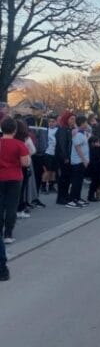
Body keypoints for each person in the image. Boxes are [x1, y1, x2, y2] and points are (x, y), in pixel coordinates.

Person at [0, 117, 32, 280]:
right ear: (14, 130)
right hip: (14, 177)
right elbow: (25, 163)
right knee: (12, 206)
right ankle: (8, 233)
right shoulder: (19, 144)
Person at [66, 116, 90, 209]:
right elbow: (77, 147)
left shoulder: (82, 133)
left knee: (80, 181)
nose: (87, 124)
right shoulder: (79, 134)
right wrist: (84, 159)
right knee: (76, 181)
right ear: (83, 123)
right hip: (78, 161)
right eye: (86, 123)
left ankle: (77, 198)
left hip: (82, 161)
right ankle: (72, 200)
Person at [55, 113, 75, 206]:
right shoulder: (63, 129)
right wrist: (66, 157)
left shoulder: (70, 129)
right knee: (62, 178)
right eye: (71, 119)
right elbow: (62, 145)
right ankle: (61, 197)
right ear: (66, 120)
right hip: (63, 158)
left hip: (69, 157)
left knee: (67, 178)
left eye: (74, 119)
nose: (73, 121)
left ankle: (66, 195)